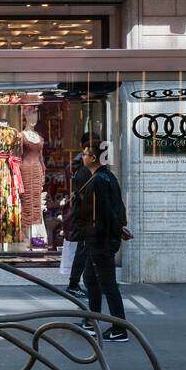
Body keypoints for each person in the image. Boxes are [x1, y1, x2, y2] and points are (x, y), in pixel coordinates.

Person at [73, 139, 129, 342]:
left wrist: (117, 230)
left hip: (100, 241)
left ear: (94, 157)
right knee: (90, 278)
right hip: (98, 239)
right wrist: (120, 228)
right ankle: (91, 320)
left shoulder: (98, 181)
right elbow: (118, 207)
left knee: (108, 285)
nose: (83, 157)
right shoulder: (108, 177)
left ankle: (119, 329)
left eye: (86, 154)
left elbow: (104, 212)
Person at [62, 152, 91, 297]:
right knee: (83, 251)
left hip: (83, 216)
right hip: (85, 217)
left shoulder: (77, 170)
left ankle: (77, 283)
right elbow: (84, 195)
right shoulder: (83, 171)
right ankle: (74, 283)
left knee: (84, 251)